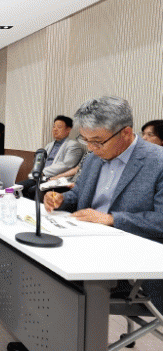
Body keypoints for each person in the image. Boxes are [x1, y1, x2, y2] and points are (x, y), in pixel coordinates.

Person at [44, 96, 163, 309]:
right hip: (85, 242)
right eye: (85, 140)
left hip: (130, 260)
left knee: (56, 285)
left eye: (98, 141)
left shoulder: (158, 162)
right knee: (41, 262)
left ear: (126, 133)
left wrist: (110, 219)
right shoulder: (93, 158)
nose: (91, 148)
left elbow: (161, 220)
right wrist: (61, 199)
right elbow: (79, 194)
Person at [16, 115, 84, 200]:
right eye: (54, 127)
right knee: (17, 187)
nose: (55, 129)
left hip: (56, 179)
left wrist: (43, 172)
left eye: (59, 127)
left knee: (32, 190)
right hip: (41, 177)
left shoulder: (74, 145)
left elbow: (66, 165)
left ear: (68, 130)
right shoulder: (49, 145)